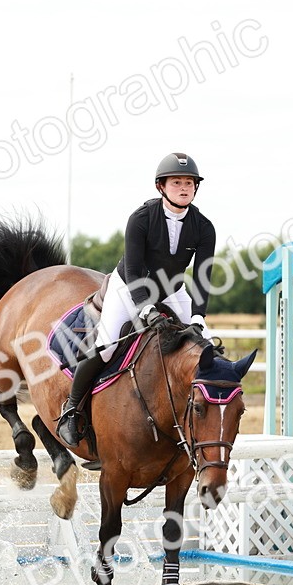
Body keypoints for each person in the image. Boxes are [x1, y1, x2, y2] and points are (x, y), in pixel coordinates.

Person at [57, 152, 217, 447]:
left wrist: (197, 317)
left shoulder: (204, 227)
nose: (184, 188)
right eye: (177, 182)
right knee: (105, 348)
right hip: (129, 286)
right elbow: (133, 270)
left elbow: (203, 276)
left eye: (190, 183)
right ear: (161, 187)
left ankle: (210, 416)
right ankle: (71, 410)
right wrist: (146, 309)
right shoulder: (141, 218)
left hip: (171, 289)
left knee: (208, 348)